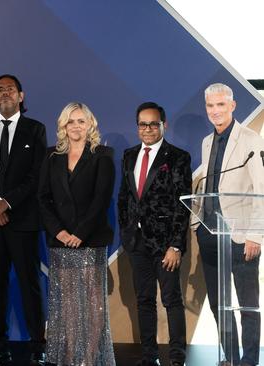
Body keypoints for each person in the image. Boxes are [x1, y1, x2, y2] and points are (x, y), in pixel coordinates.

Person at [0, 74, 47, 365]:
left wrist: (7, 203)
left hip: (22, 219)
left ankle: (38, 344)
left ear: (21, 96)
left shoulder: (35, 130)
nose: (5, 94)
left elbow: (36, 174)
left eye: (10, 89)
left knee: (29, 283)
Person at [38, 102, 116, 366]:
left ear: (90, 124)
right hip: (60, 241)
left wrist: (80, 233)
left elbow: (101, 199)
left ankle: (90, 358)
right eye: (71, 121)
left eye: (81, 121)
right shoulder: (51, 156)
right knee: (68, 305)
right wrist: (60, 232)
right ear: (63, 125)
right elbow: (43, 198)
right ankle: (71, 356)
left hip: (91, 240)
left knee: (93, 304)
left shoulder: (103, 155)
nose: (76, 126)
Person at [195, 83, 264, 366]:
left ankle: (248, 361)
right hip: (211, 235)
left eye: (220, 105)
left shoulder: (250, 139)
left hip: (241, 236)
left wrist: (256, 235)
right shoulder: (206, 141)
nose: (215, 111)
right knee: (218, 305)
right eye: (210, 106)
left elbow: (261, 188)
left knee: (247, 306)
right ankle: (230, 359)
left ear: (233, 106)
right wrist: (195, 223)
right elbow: (207, 185)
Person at [118, 102, 191, 366]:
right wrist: (125, 232)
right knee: (144, 300)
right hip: (136, 243)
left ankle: (176, 358)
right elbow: (124, 197)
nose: (147, 129)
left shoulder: (178, 157)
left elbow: (183, 204)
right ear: (137, 126)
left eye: (153, 124)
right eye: (142, 124)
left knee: (171, 300)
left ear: (164, 125)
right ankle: (149, 356)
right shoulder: (128, 155)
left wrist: (175, 245)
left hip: (165, 244)